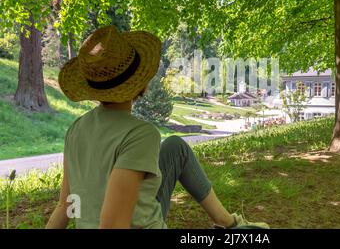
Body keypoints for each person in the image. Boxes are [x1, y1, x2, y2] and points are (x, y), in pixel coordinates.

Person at [46, 26, 269, 229]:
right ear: (140, 81)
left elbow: (64, 206)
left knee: (175, 147)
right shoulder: (140, 134)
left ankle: (227, 222)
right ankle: (233, 227)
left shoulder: (75, 129)